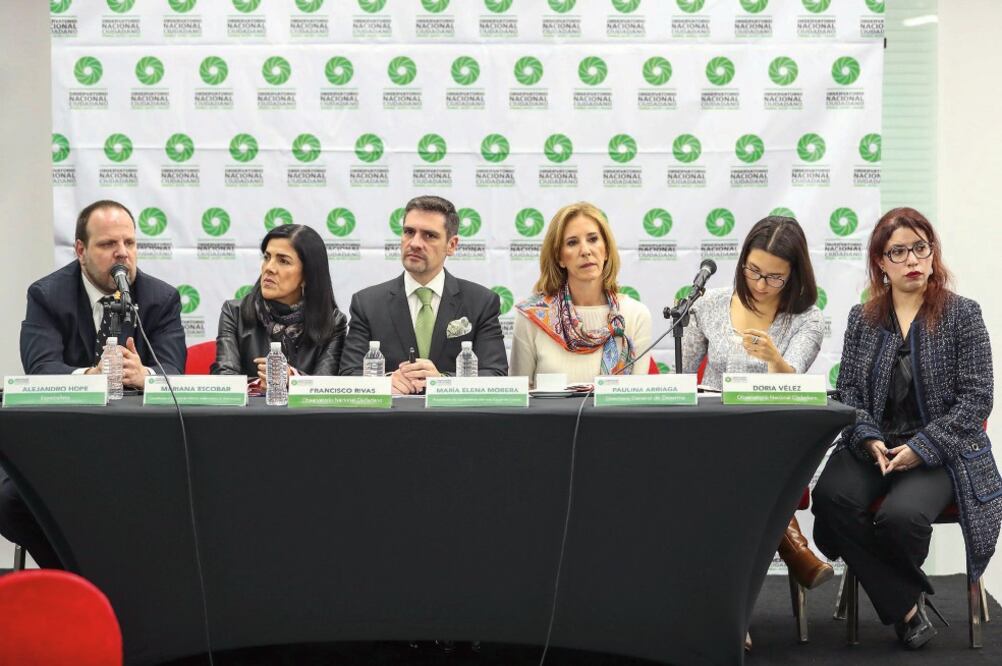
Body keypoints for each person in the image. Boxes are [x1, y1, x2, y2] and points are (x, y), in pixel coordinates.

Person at [812, 207, 999, 649]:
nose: (912, 259)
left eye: (920, 247)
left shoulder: (963, 315)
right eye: (899, 252)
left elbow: (978, 399)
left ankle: (894, 600)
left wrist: (925, 446)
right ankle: (907, 606)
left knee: (901, 518)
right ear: (881, 262)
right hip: (874, 446)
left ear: (933, 254)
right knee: (830, 498)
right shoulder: (863, 319)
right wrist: (869, 437)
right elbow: (850, 393)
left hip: (941, 450)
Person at [2, 200, 187, 568]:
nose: (122, 255)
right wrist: (92, 376)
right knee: (8, 502)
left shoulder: (161, 299)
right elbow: (40, 368)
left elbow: (173, 370)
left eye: (130, 244)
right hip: (61, 444)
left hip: (137, 447)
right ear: (81, 250)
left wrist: (144, 374)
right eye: (108, 245)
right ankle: (75, 578)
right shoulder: (47, 295)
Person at [680, 216, 833, 593]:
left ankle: (730, 613)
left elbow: (793, 381)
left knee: (736, 483)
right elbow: (684, 375)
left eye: (774, 277)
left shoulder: (807, 319)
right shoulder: (710, 304)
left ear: (794, 275)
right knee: (736, 479)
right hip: (713, 432)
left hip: (772, 436)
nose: (761, 284)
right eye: (753, 271)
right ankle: (795, 548)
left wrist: (773, 358)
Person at [339, 195, 507, 391]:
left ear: (451, 245)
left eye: (429, 235)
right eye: (409, 232)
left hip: (456, 420)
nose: (415, 243)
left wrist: (442, 381)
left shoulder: (481, 302)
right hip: (391, 418)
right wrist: (385, 383)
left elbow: (496, 375)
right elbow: (349, 373)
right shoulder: (367, 303)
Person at [510, 202, 651, 384]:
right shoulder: (532, 318)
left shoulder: (635, 315)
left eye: (593, 239)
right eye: (572, 243)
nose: (585, 251)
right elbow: (519, 398)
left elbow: (637, 400)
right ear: (559, 258)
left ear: (606, 250)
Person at [211, 224, 347, 380]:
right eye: (267, 257)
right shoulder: (234, 312)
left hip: (307, 406)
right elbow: (225, 379)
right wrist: (261, 384)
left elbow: (326, 385)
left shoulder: (334, 322)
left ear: (307, 275)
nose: (269, 268)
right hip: (252, 404)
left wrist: (292, 379)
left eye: (283, 261)